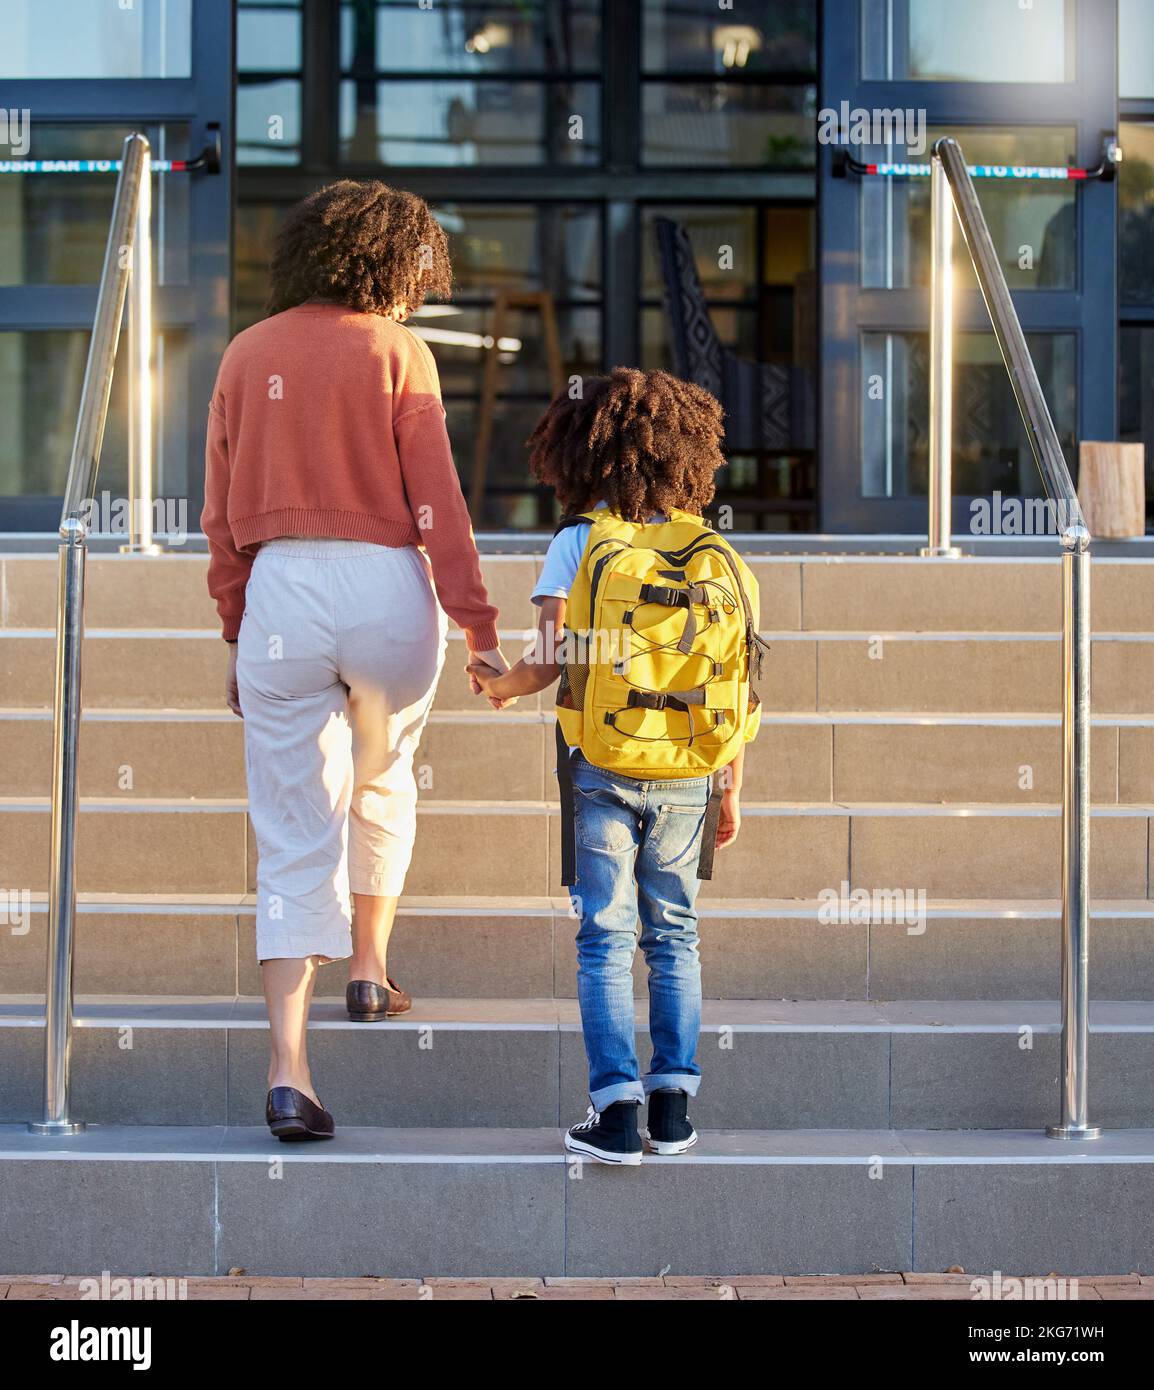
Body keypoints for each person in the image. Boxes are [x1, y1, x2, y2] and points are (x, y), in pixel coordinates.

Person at [201, 180, 510, 1142]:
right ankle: (369, 973)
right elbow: (439, 503)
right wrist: (478, 626)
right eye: (421, 267)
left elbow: (219, 518)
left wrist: (235, 627)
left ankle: (290, 1071)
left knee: (293, 829)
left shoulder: (248, 354)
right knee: (382, 783)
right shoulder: (396, 350)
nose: (424, 287)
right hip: (386, 588)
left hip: (283, 592)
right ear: (389, 263)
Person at [469, 368, 760, 1164]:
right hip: (691, 770)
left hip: (597, 764)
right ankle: (674, 1110)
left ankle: (616, 1112)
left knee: (604, 935)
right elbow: (739, 677)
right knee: (675, 935)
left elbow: (551, 660)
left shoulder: (578, 540)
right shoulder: (709, 549)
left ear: (582, 451)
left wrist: (499, 689)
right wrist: (731, 784)